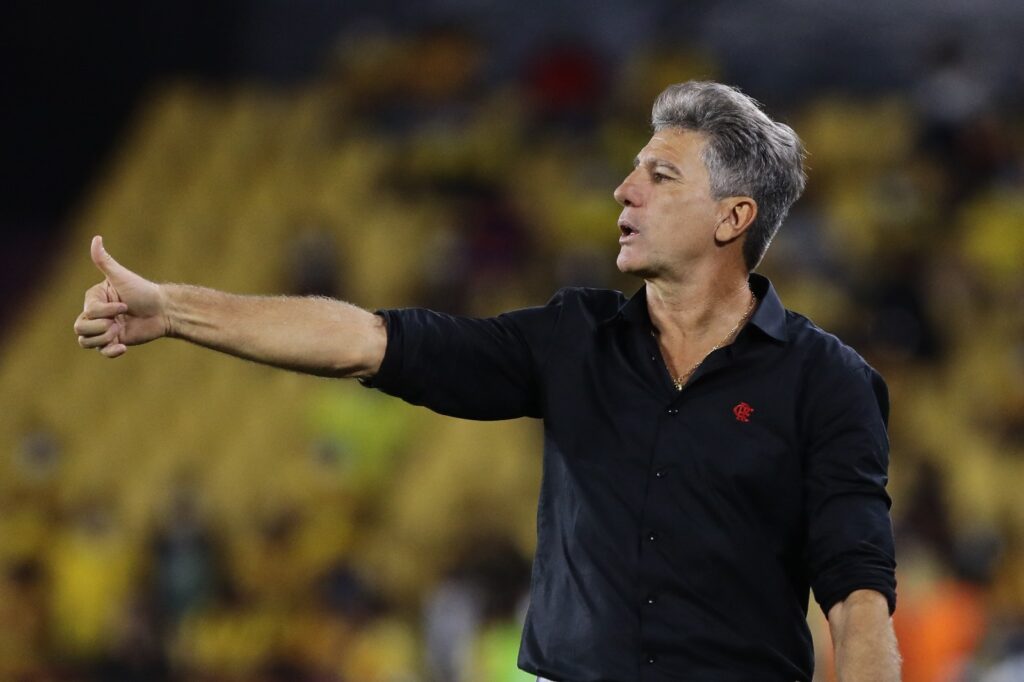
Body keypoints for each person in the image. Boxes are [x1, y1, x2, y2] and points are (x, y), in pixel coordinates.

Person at [74, 81, 900, 681]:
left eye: (660, 176)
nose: (623, 189)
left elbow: (857, 598)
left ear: (733, 217)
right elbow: (368, 341)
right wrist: (173, 311)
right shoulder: (570, 339)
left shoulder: (829, 383)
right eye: (633, 169)